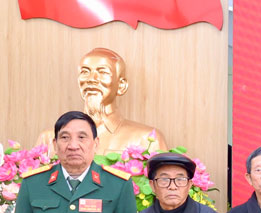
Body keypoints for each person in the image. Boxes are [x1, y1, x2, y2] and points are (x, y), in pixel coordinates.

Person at [37, 48, 169, 155]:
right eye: (85, 72)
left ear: (121, 85)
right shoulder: (49, 139)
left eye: (102, 72)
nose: (91, 79)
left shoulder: (147, 139)